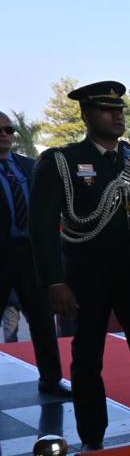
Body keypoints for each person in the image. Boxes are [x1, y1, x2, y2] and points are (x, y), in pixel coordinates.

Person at [29, 81, 130, 449]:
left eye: (120, 110)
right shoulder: (60, 162)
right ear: (86, 114)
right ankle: (92, 438)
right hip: (85, 274)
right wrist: (54, 281)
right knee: (87, 357)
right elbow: (42, 228)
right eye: (106, 109)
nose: (117, 116)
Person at [0, 111, 69, 393]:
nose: (5, 135)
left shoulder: (29, 166)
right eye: (0, 130)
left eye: (9, 130)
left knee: (42, 319)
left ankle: (51, 379)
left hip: (32, 255)